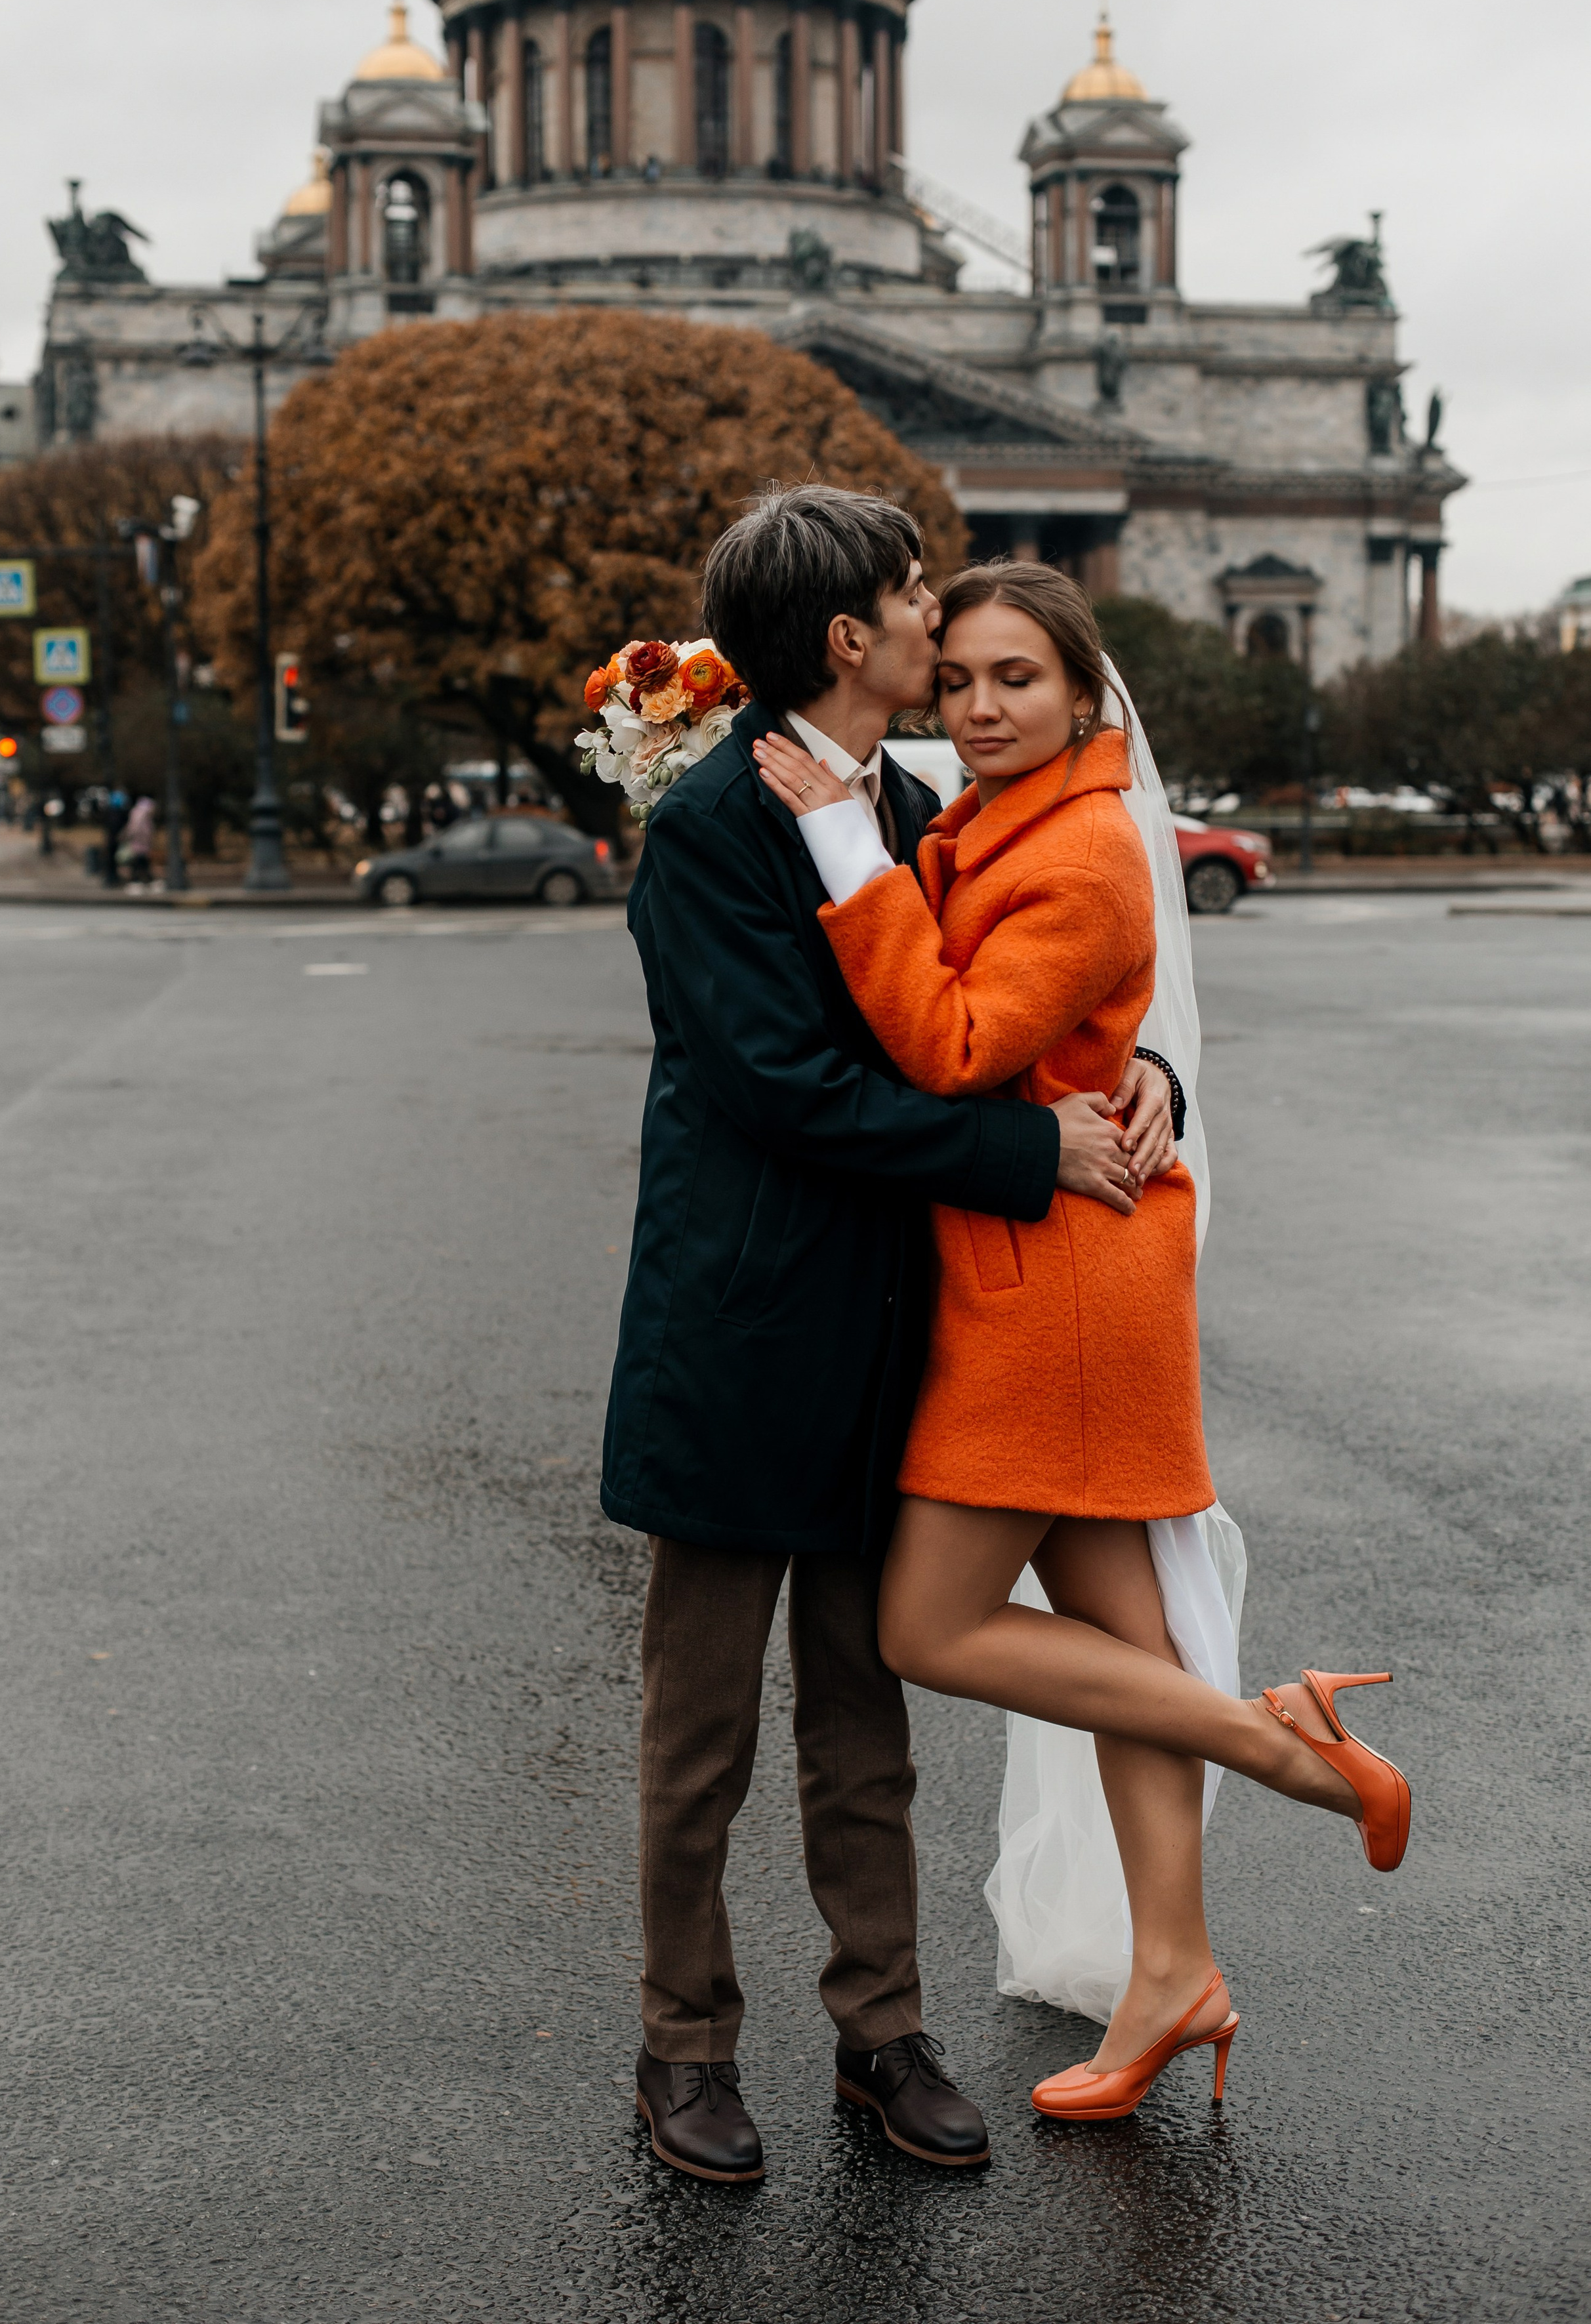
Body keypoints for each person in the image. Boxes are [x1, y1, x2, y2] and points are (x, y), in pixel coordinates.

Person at [754, 560, 1412, 2123]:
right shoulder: (991, 807)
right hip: (1054, 1259)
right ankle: (1172, 1969)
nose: (978, 708)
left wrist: (841, 842)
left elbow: (959, 1042)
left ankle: (1294, 1751)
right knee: (1123, 1655)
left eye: (1017, 682)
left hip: (1045, 1283)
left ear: (1081, 693)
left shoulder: (1085, 847)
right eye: (961, 677)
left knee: (927, 1628)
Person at [600, 489, 1180, 2182]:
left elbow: (1001, 1016)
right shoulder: (709, 825)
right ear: (850, 639)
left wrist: (1142, 1077)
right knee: (697, 1735)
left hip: (893, 1339)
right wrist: (1025, 1152)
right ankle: (684, 2045)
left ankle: (883, 2031)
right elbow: (792, 1090)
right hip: (740, 1337)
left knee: (866, 1722)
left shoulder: (918, 798)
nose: (943, 622)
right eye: (918, 596)